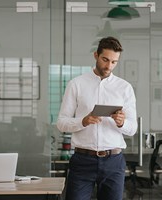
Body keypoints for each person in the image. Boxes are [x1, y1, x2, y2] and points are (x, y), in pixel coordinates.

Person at [57, 36, 137, 200]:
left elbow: (132, 128)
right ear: (96, 55)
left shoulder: (124, 88)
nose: (109, 66)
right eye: (105, 59)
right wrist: (82, 121)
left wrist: (122, 123)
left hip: (114, 161)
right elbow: (61, 123)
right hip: (82, 161)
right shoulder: (76, 84)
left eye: (114, 62)